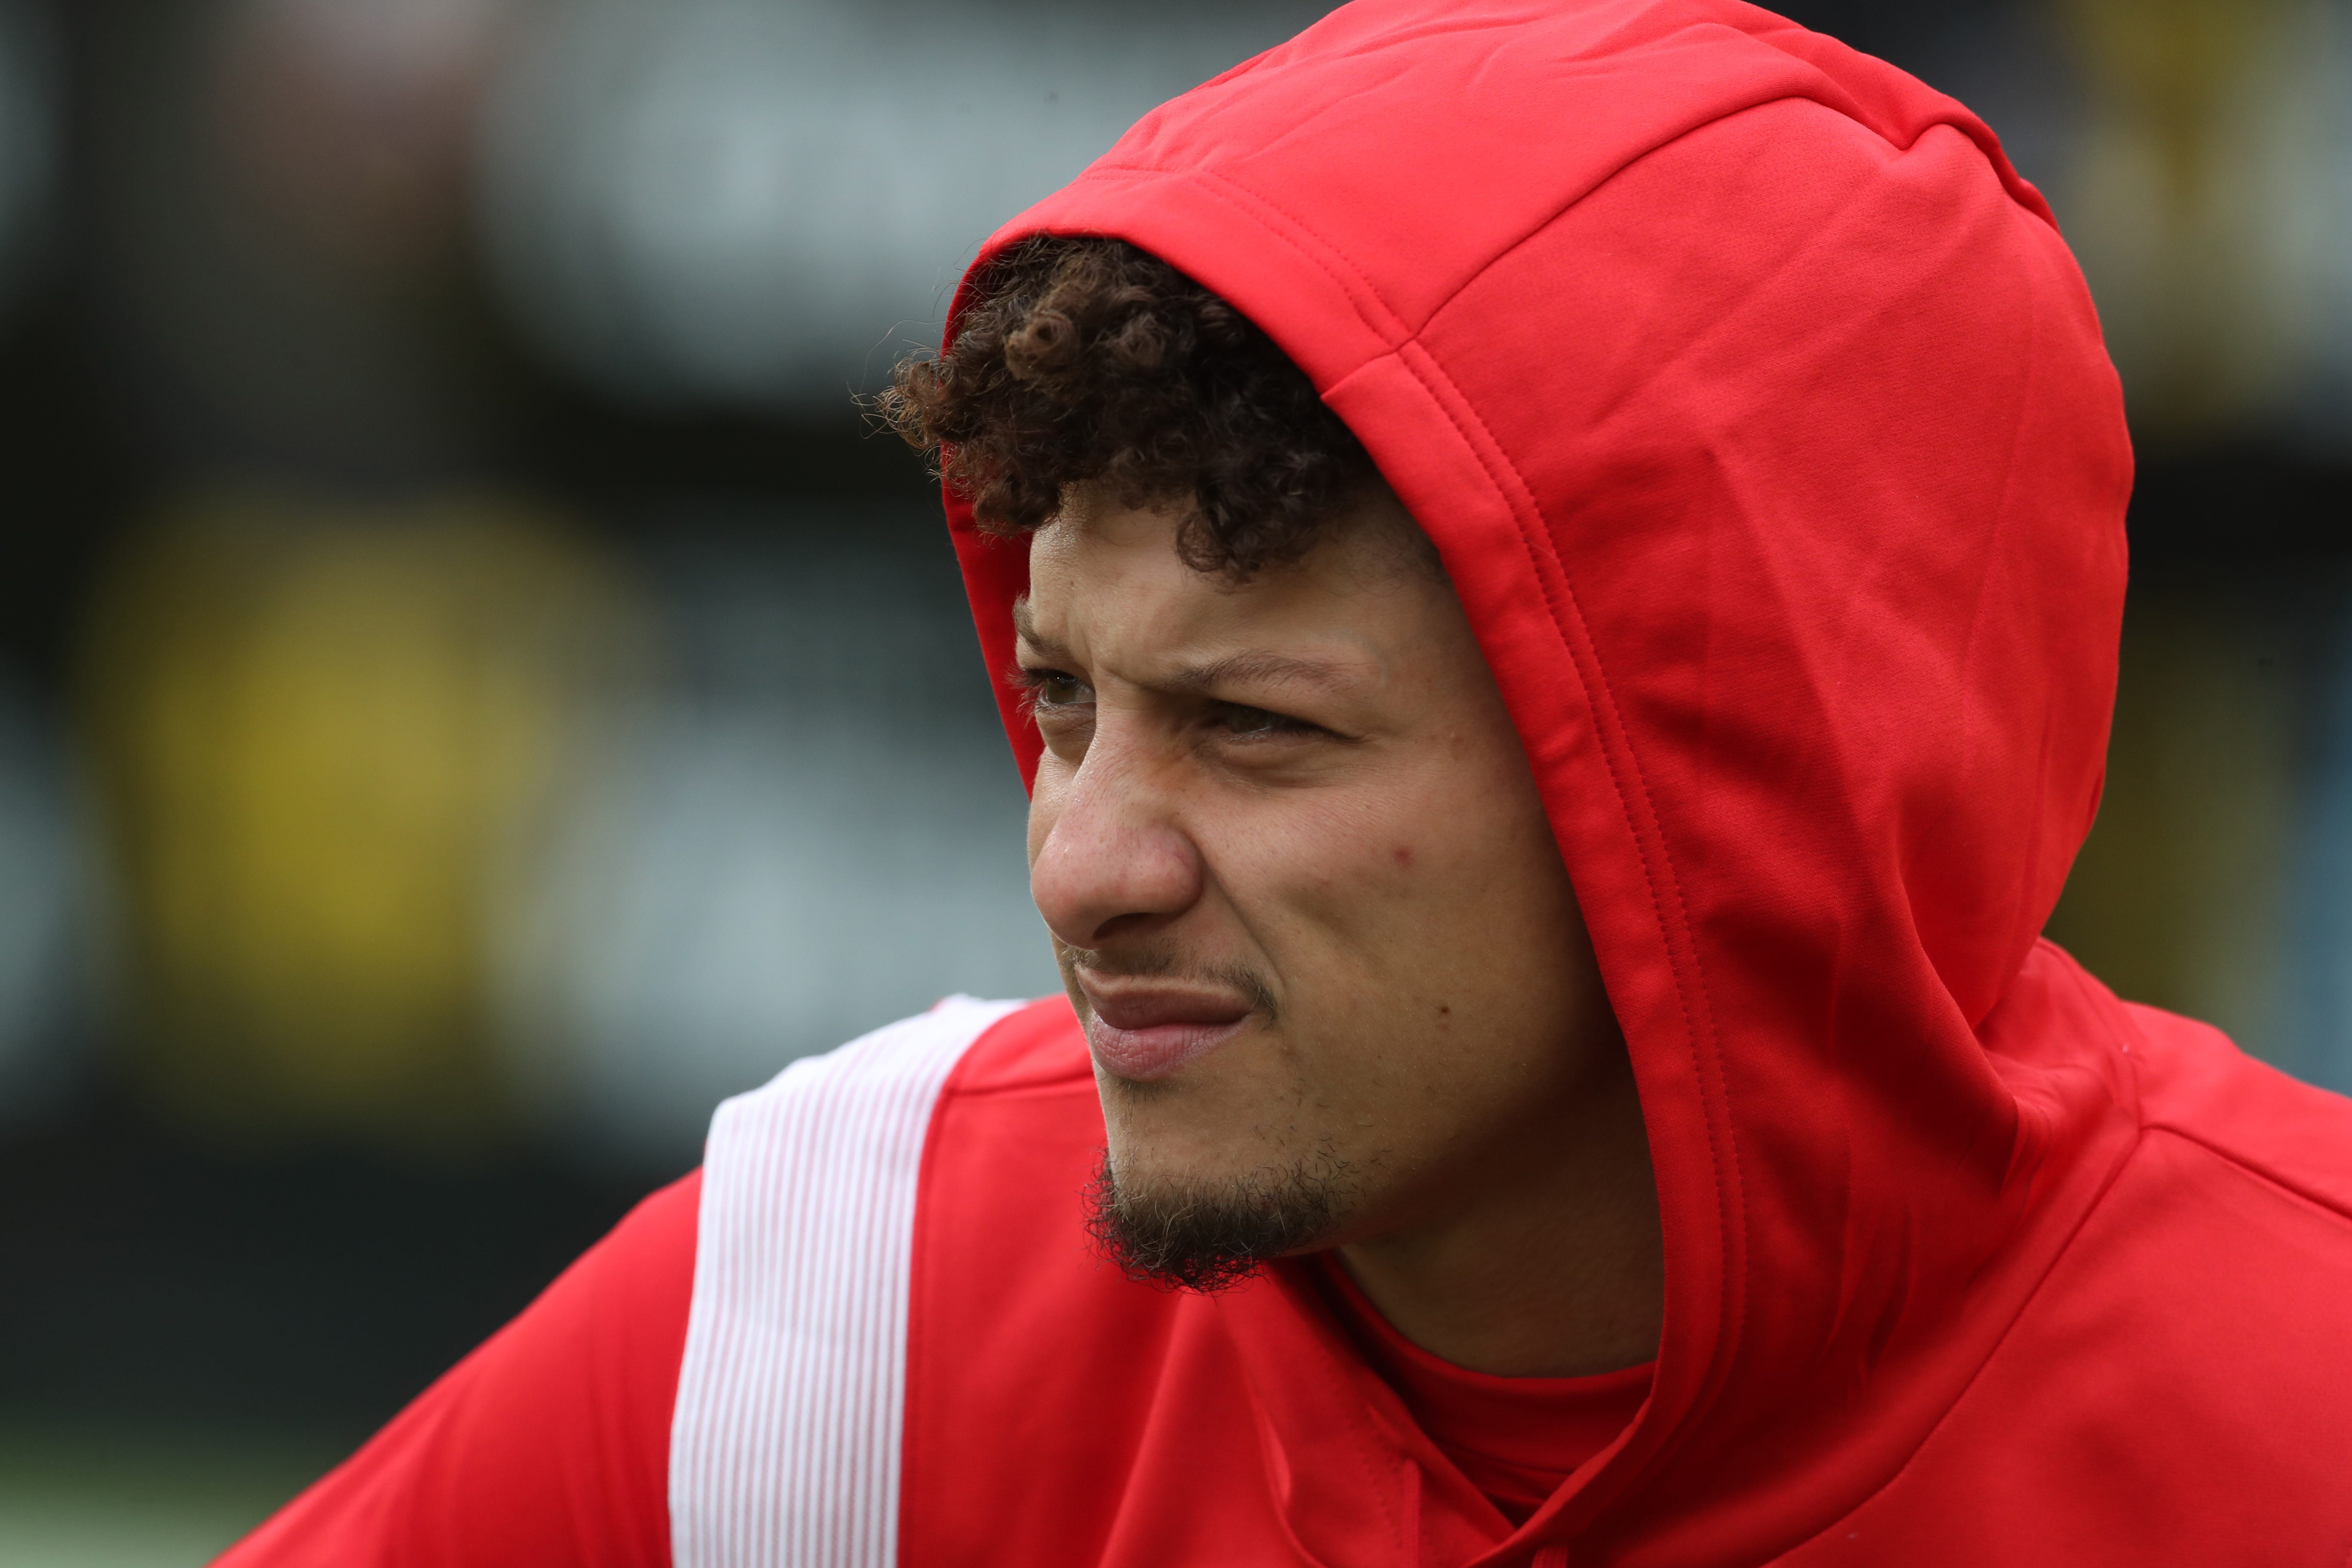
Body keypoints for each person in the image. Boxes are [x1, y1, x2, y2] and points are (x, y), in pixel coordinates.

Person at [217, 0, 2352, 1563]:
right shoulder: (836, 1319)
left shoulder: (2301, 1404)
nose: (1080, 862)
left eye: (1255, 729)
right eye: (1062, 699)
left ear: (1727, 791)